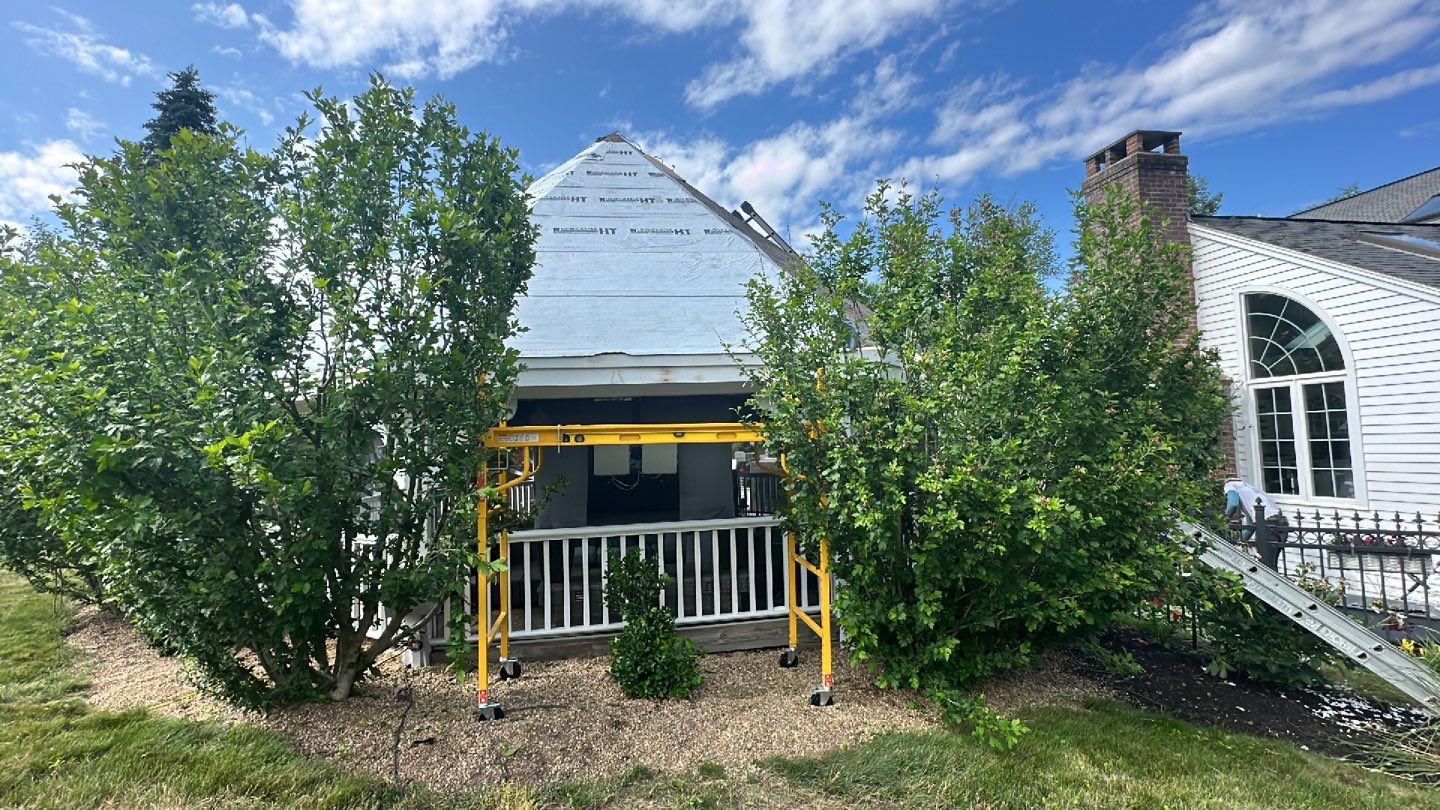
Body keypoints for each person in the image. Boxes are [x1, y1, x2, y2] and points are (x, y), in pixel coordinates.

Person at [1223, 479, 1287, 567]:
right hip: (1282, 523)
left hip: (1268, 524)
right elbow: (1251, 526)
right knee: (1272, 564)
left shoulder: (1230, 485)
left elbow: (1233, 504)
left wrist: (1224, 519)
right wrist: (1238, 543)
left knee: (1265, 565)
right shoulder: (1250, 489)